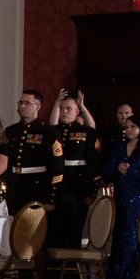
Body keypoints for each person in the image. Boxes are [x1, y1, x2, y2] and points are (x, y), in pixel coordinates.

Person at [105, 114, 140, 279]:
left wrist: (131, 171)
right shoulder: (119, 147)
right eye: (127, 127)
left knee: (133, 237)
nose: (129, 130)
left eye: (133, 126)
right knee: (120, 235)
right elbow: (107, 169)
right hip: (122, 197)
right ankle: (116, 278)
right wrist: (117, 169)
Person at [49, 90, 99, 248]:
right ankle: (56, 271)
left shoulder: (85, 132)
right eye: (62, 108)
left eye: (68, 108)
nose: (64, 111)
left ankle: (72, 271)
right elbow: (51, 126)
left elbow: (93, 163)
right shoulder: (56, 131)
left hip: (77, 188)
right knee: (55, 232)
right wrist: (56, 103)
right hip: (58, 188)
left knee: (74, 233)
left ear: (77, 111)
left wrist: (90, 192)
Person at [0, 89, 60, 210]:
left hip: (36, 188)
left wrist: (51, 198)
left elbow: (57, 166)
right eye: (20, 103)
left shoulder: (47, 131)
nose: (22, 106)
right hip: (15, 188)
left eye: (27, 103)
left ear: (37, 106)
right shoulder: (12, 131)